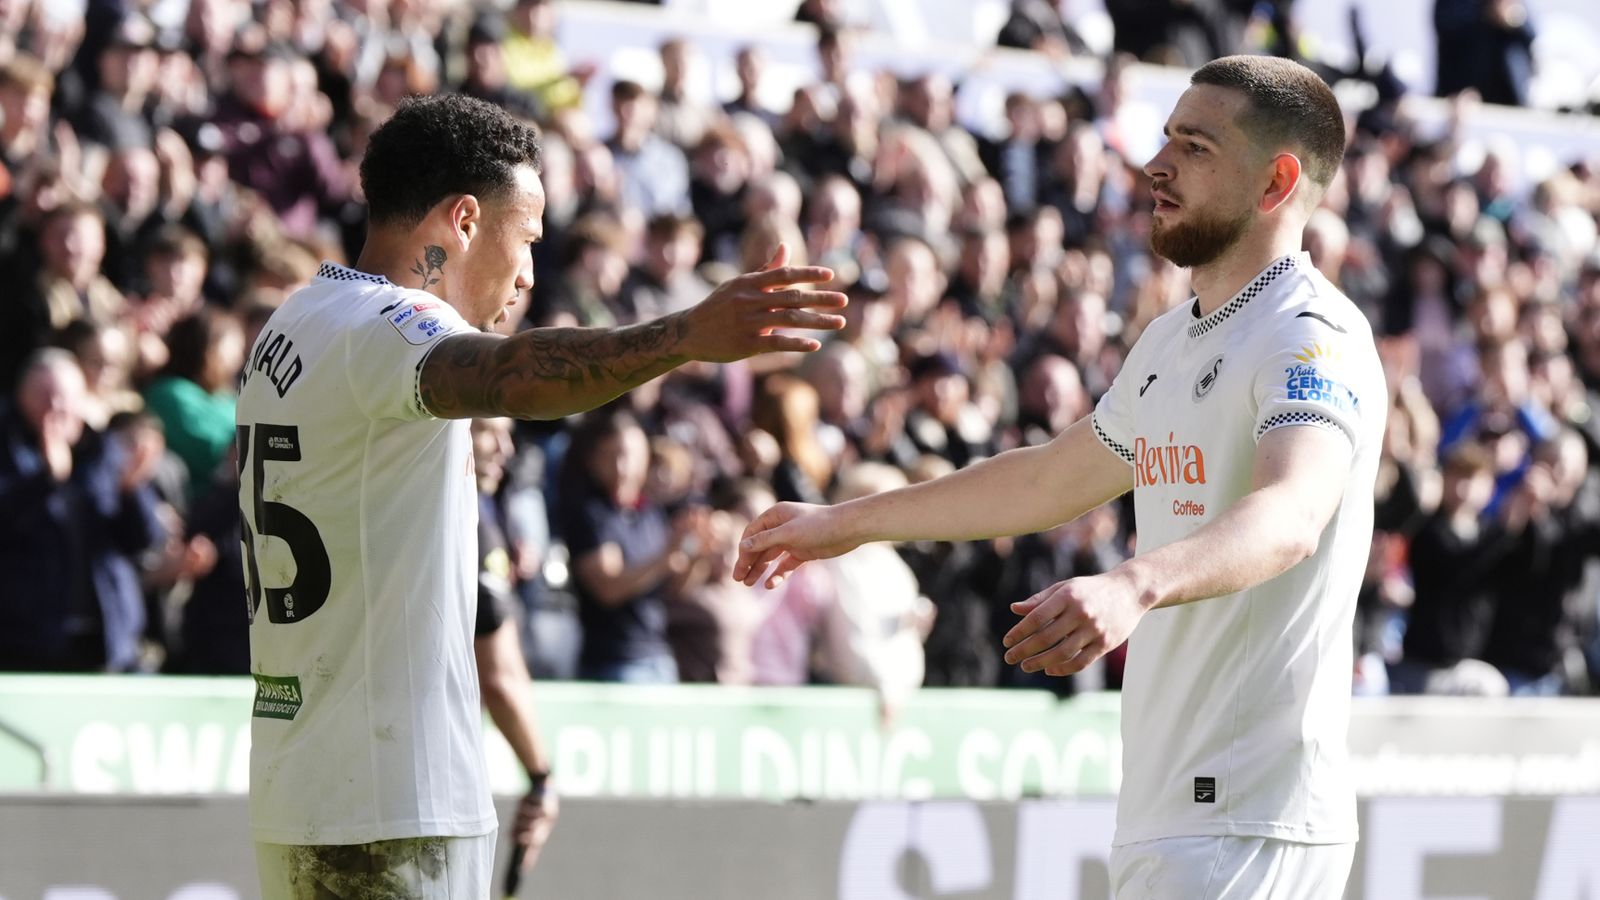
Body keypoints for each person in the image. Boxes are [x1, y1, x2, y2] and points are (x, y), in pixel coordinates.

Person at [736, 56, 1385, 898]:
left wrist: (1133, 583)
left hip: (1249, 810)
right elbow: (1045, 480)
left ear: (1277, 183)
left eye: (1194, 147)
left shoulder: (1311, 335)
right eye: (1166, 139)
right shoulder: (1173, 339)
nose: (1156, 165)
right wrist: (846, 522)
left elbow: (1292, 513)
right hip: (1177, 808)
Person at [238, 93, 845, 897]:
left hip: (303, 788)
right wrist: (685, 336)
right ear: (463, 220)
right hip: (390, 800)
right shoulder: (388, 324)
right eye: (525, 237)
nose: (528, 273)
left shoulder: (296, 322)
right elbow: (513, 375)